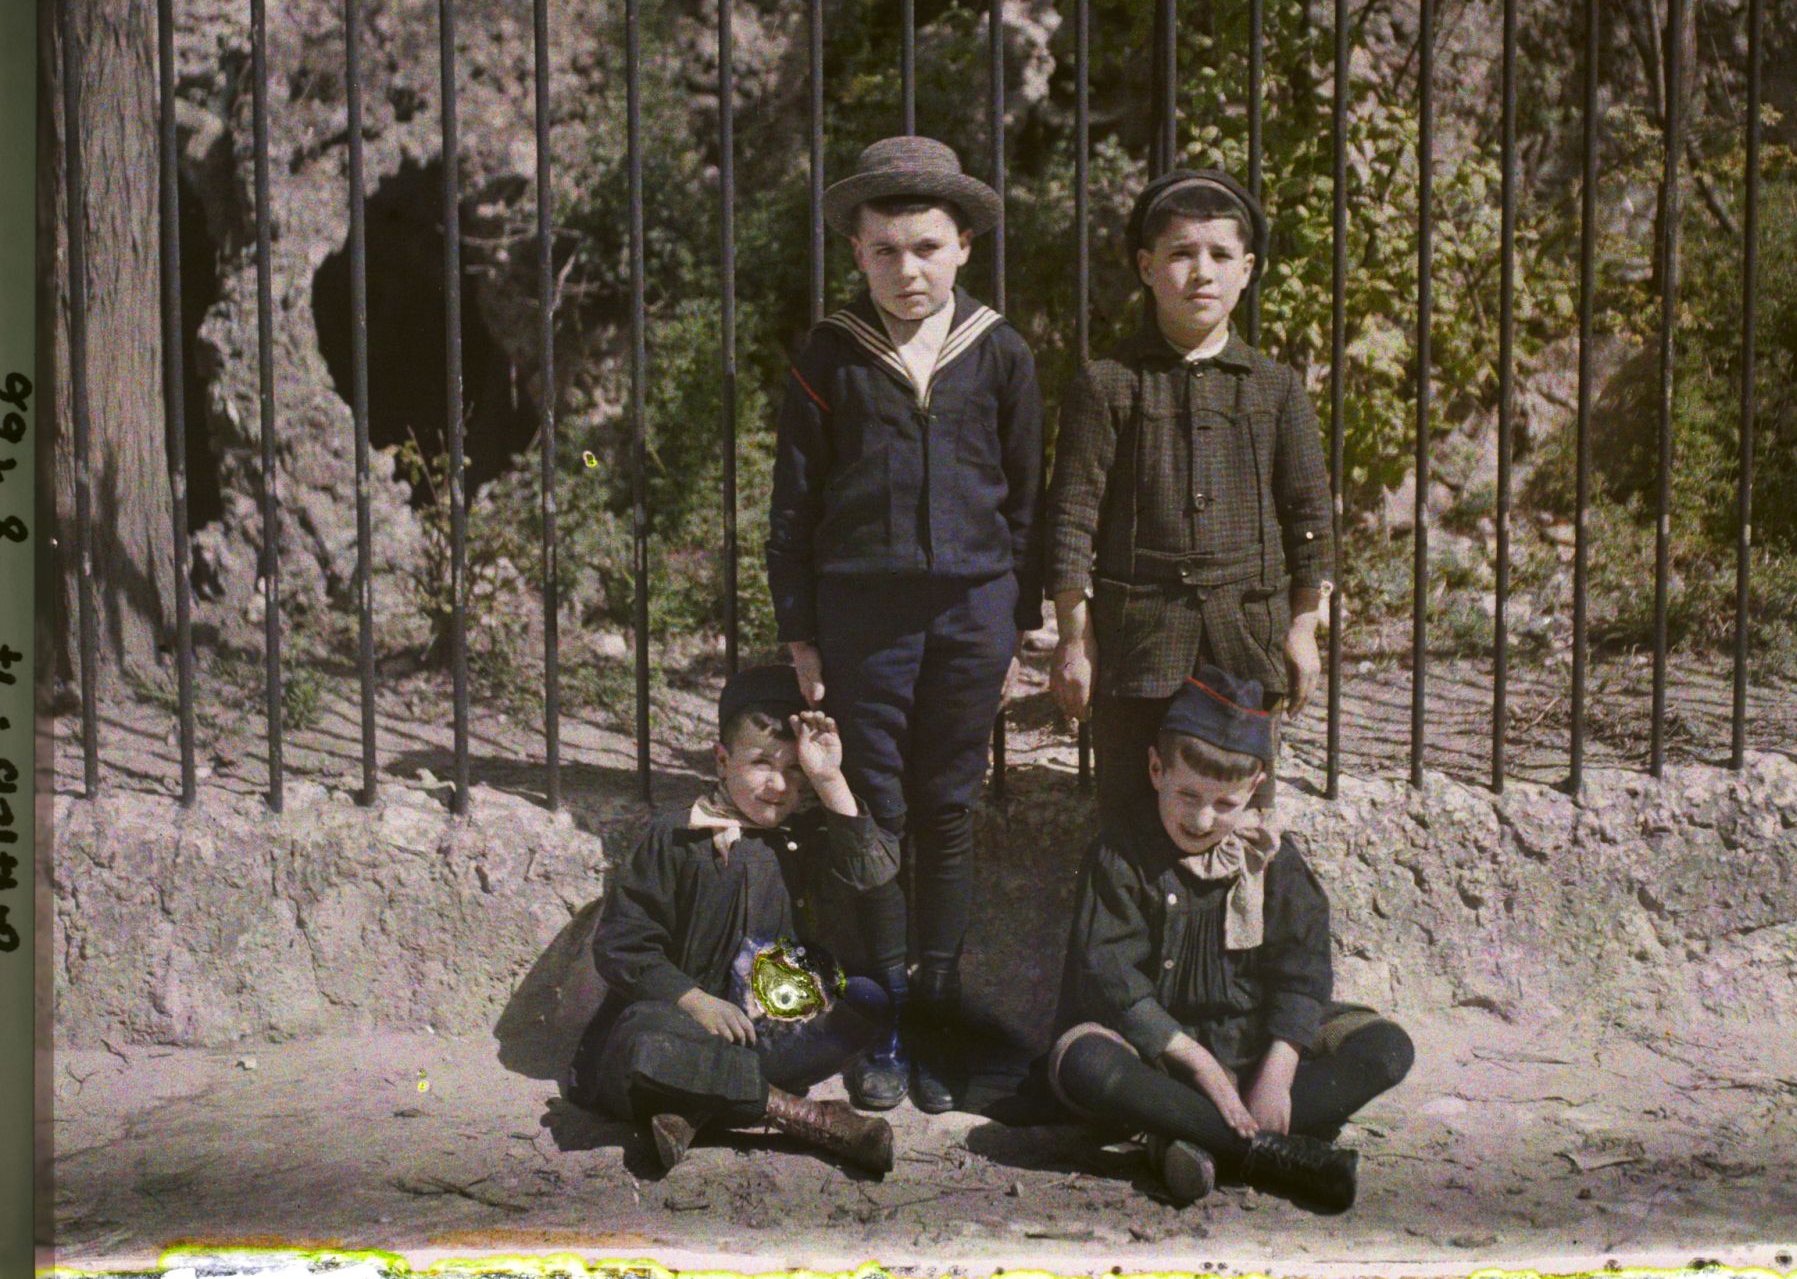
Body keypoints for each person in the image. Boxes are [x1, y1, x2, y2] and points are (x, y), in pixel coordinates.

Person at [766, 135, 1043, 1114]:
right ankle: (878, 1017)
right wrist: (802, 632)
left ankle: (934, 1018)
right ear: (855, 253)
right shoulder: (830, 352)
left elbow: (1024, 499)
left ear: (963, 244)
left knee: (945, 807)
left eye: (924, 246)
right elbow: (791, 504)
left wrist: (1014, 619)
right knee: (868, 810)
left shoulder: (999, 352)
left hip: (971, 612)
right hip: (862, 617)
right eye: (883, 249)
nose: (905, 269)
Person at [1044, 664, 1414, 1210]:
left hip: (1251, 1049)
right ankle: (1273, 1154)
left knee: (1387, 1048)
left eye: (1224, 803)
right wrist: (1203, 1071)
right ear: (1154, 769)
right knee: (1085, 1064)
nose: (1200, 818)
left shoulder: (1271, 860)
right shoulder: (1120, 857)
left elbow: (1302, 973)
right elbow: (1111, 983)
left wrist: (1278, 1074)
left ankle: (1189, 1138)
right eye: (1187, 795)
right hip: (1161, 1059)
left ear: (1254, 790)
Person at [1043, 167, 1334, 824]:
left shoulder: (1275, 388)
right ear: (1147, 267)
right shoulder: (1108, 385)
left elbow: (1310, 518)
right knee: (1132, 821)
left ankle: (1230, 930)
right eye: (1180, 253)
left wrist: (1304, 626)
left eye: (1220, 255)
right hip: (1138, 648)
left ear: (1248, 270)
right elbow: (1070, 518)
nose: (1201, 271)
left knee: (1232, 823)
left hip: (1244, 643)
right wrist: (1074, 638)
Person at [568, 665, 900, 1175]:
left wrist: (829, 778)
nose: (777, 784)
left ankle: (693, 1108)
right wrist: (695, 1002)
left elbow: (873, 872)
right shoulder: (676, 838)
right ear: (722, 761)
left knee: (867, 1001)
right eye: (762, 763)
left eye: (794, 770)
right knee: (643, 1046)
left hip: (765, 1031)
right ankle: (809, 1117)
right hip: (677, 1018)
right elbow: (622, 947)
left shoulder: (805, 840)